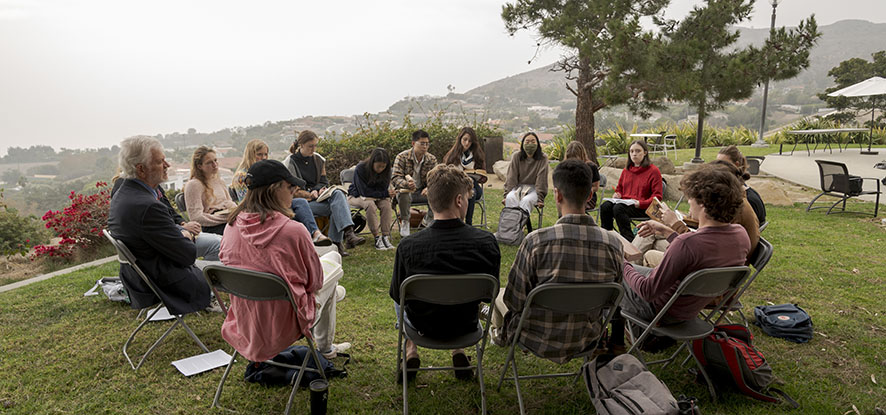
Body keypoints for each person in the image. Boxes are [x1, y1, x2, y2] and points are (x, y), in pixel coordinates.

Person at [491, 160, 623, 362]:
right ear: (590, 196)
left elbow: (513, 300)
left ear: (557, 194)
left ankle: (500, 335)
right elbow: (613, 301)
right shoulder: (613, 244)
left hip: (535, 337)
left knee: (501, 295)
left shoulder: (535, 242)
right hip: (587, 337)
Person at [609, 164, 750, 352]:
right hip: (689, 308)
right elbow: (698, 253)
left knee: (613, 275)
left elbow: (647, 290)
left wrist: (621, 261)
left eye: (690, 198)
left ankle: (621, 340)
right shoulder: (740, 236)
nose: (688, 202)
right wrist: (668, 231)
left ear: (703, 203)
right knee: (637, 270)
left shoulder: (687, 243)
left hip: (661, 311)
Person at [220, 159, 350, 362]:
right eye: (290, 186)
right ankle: (326, 346)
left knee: (329, 281)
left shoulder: (230, 227)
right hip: (288, 322)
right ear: (274, 189)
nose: (295, 190)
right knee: (333, 258)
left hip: (246, 320)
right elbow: (314, 283)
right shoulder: (293, 231)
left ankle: (332, 295)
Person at [389, 164, 501, 381]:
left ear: (431, 201)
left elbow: (397, 296)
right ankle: (459, 351)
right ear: (459, 201)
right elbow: (489, 295)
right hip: (465, 326)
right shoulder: (486, 242)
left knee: (400, 291)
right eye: (467, 198)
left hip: (422, 327)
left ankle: (411, 350)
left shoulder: (408, 246)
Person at [107, 136, 212, 315]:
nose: (167, 165)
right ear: (141, 169)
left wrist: (181, 232)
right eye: (160, 161)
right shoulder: (147, 206)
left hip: (139, 276)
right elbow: (187, 255)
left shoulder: (125, 193)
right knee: (229, 270)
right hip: (165, 281)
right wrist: (186, 235)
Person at [636, 160, 760, 268]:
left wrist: (675, 223)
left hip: (702, 272)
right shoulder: (735, 216)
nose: (689, 200)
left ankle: (626, 266)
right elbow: (707, 242)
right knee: (654, 238)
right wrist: (668, 228)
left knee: (649, 253)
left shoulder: (736, 211)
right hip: (713, 271)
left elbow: (696, 246)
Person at [232, 139, 330, 246]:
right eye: (259, 154)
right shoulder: (243, 176)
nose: (264, 157)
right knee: (297, 211)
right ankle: (306, 242)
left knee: (300, 203)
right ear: (250, 155)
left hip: (273, 203)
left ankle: (314, 235)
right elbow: (247, 200)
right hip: (260, 208)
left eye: (266, 154)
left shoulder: (265, 171)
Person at [283, 130, 364, 256]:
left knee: (338, 194)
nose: (313, 149)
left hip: (319, 198)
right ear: (301, 145)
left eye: (315, 145)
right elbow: (292, 190)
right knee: (337, 206)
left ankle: (346, 236)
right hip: (303, 204)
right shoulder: (290, 162)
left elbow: (323, 181)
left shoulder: (319, 159)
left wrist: (320, 189)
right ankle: (341, 241)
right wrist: (310, 193)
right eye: (311, 146)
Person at [600, 140, 662, 242]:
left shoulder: (653, 171)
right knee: (605, 206)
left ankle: (629, 240)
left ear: (645, 153)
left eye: (638, 151)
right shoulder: (627, 170)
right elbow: (619, 188)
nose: (634, 154)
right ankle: (607, 239)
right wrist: (617, 194)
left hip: (644, 208)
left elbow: (657, 197)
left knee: (618, 208)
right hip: (626, 203)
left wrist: (641, 203)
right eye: (631, 151)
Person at [391, 129, 439, 237]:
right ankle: (405, 222)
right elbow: (395, 178)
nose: (425, 147)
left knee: (438, 191)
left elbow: (436, 178)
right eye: (422, 143)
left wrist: (429, 187)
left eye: (427, 144)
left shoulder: (431, 159)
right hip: (406, 190)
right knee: (403, 193)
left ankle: (428, 220)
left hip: (423, 190)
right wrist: (406, 184)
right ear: (413, 143)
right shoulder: (402, 157)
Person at [348, 148, 395, 250]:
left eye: (383, 166)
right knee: (370, 205)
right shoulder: (361, 168)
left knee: (386, 205)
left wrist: (385, 194)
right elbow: (363, 191)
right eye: (378, 166)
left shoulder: (387, 171)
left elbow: (383, 188)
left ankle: (385, 236)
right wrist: (385, 193)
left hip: (377, 195)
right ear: (372, 162)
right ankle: (377, 237)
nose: (380, 169)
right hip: (357, 196)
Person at [184, 146, 237, 235]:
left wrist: (235, 210)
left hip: (228, 219)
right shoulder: (194, 185)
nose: (215, 165)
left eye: (215, 160)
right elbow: (196, 217)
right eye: (209, 163)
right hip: (213, 227)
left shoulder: (220, 181)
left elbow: (228, 202)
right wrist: (225, 218)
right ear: (199, 166)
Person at [443, 127, 488, 225]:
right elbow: (447, 173)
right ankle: (468, 224)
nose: (467, 143)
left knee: (472, 190)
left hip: (473, 184)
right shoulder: (452, 155)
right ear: (460, 139)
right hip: (457, 186)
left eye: (470, 141)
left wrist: (479, 175)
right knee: (471, 193)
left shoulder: (477, 155)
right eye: (465, 140)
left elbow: (482, 174)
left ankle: (467, 224)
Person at [503, 132, 548, 221]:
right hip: (518, 188)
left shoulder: (543, 158)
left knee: (526, 201)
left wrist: (540, 198)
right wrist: (506, 194)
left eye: (533, 141)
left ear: (537, 144)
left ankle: (520, 227)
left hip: (534, 189)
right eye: (527, 142)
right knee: (510, 198)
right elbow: (511, 177)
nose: (530, 144)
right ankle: (512, 227)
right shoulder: (517, 156)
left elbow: (541, 179)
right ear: (523, 144)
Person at [718, 145, 766, 224]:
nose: (717, 168)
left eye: (723, 164)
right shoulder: (742, 191)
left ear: (736, 165)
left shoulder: (748, 200)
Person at [563, 141, 601, 210]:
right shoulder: (566, 167)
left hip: (587, 198)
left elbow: (596, 187)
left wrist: (586, 190)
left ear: (581, 155)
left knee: (572, 205)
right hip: (571, 196)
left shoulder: (591, 167)